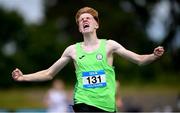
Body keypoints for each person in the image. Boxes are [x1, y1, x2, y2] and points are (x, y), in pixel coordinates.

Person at [12, 7, 164, 112]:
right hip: (83, 102)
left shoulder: (109, 45)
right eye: (81, 20)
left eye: (88, 18)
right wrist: (23, 77)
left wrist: (153, 56)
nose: (84, 20)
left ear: (96, 24)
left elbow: (138, 59)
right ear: (79, 28)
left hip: (106, 105)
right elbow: (49, 73)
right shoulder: (72, 50)